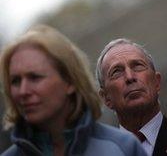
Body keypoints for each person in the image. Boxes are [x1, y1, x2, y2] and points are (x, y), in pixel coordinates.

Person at [0, 25, 147, 156]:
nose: (23, 91)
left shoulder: (122, 148)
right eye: (15, 81)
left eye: (35, 78)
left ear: (69, 80)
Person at [95, 38, 167, 156]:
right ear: (106, 97)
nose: (130, 77)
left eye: (137, 66)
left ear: (157, 82)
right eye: (117, 72)